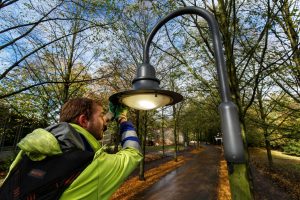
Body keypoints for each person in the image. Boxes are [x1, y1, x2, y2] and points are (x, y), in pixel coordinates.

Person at [0, 97, 142, 200]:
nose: (104, 122)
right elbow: (133, 152)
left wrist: (110, 114)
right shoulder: (94, 163)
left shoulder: (29, 150)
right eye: (100, 116)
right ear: (83, 120)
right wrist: (123, 119)